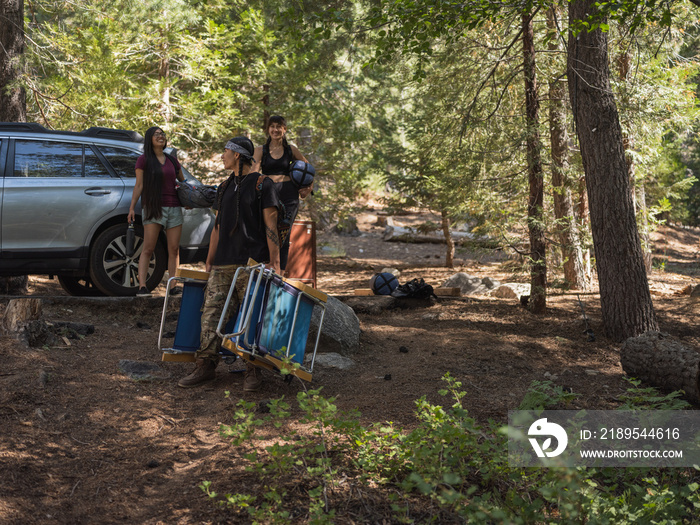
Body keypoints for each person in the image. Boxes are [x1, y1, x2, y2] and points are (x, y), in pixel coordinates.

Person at [178, 137, 282, 391]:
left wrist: (275, 263)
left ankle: (253, 370)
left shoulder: (262, 184)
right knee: (211, 315)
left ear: (237, 155)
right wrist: (210, 259)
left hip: (251, 265)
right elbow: (217, 227)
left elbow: (272, 226)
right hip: (222, 264)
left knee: (252, 317)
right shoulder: (223, 187)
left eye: (225, 151)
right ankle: (206, 365)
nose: (222, 156)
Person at [128, 126, 185, 297]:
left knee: (174, 249)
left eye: (162, 134)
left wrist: (188, 199)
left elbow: (183, 183)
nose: (161, 136)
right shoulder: (143, 160)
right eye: (156, 135)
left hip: (174, 207)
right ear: (149, 139)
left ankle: (173, 285)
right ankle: (142, 287)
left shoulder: (172, 161)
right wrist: (132, 207)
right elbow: (139, 185)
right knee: (148, 248)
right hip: (153, 208)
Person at [253, 115, 312, 272]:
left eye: (279, 126)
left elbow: (309, 169)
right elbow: (253, 175)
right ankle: (264, 269)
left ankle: (280, 273)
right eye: (272, 126)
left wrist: (308, 189)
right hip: (268, 194)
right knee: (265, 232)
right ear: (268, 130)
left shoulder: (291, 150)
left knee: (284, 235)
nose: (275, 129)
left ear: (284, 130)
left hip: (289, 195)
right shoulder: (260, 150)